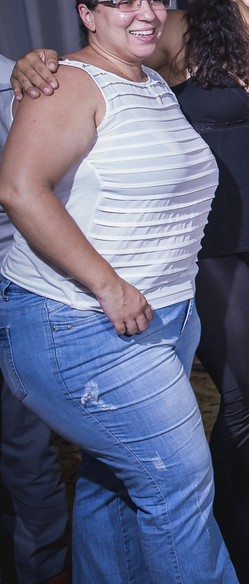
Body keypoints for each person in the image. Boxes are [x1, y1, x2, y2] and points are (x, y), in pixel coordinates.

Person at [10, 0, 249, 583]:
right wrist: (35, 60)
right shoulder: (179, 31)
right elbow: (100, 56)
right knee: (239, 400)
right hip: (204, 251)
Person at [0, 0, 234, 582]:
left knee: (114, 481)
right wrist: (108, 285)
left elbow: (220, 19)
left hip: (160, 320)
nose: (146, 12)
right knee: (180, 484)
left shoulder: (149, 78)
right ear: (87, 14)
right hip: (81, 323)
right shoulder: (69, 83)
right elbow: (19, 188)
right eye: (123, 1)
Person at [0, 54, 69, 584]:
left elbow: (40, 190)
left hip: (11, 286)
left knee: (24, 449)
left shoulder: (16, 82)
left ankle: (44, 569)